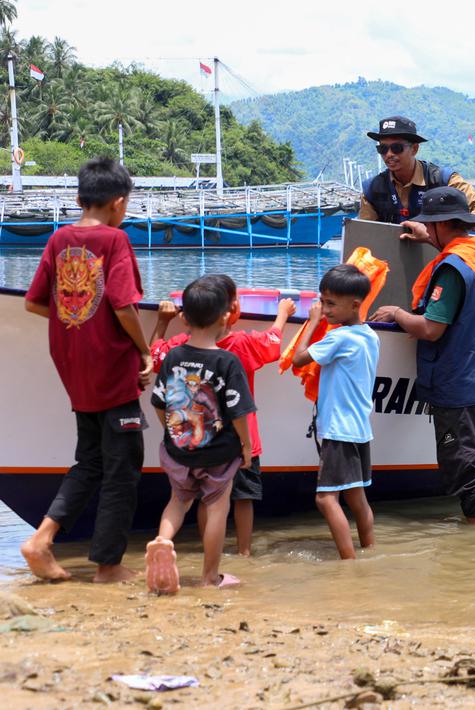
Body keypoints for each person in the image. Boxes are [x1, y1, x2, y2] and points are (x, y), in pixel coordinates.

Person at [20, 157, 152, 584]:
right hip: (112, 371)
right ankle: (109, 566)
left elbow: (35, 302)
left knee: (90, 461)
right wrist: (145, 351)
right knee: (123, 468)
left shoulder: (59, 239)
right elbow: (122, 303)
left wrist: (75, 325)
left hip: (75, 370)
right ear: (119, 203)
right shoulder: (115, 241)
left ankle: (41, 541)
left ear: (79, 198)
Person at [371, 187, 475, 523]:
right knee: (468, 461)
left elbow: (432, 328)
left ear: (442, 224)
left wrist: (397, 314)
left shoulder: (452, 269)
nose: (426, 229)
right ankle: (472, 544)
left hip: (457, 385)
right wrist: (431, 239)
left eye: (430, 224)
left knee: (466, 469)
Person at [149, 278, 296, 556]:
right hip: (241, 443)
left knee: (204, 501)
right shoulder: (242, 344)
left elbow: (153, 356)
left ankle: (205, 551)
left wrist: (161, 322)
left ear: (185, 316)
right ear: (228, 312)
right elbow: (273, 344)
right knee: (242, 500)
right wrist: (282, 314)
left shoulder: (178, 347)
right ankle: (244, 553)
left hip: (194, 441)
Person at [146, 276, 255, 593]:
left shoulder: (173, 357)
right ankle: (210, 577)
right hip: (218, 456)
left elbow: (159, 402)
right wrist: (246, 447)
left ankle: (163, 540)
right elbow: (238, 412)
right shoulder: (228, 361)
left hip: (179, 449)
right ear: (225, 317)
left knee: (178, 501)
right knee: (217, 507)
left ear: (183, 318)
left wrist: (172, 431)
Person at [291, 265, 381, 558]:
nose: (324, 309)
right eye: (323, 302)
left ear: (355, 304)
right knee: (357, 497)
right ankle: (369, 551)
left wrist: (311, 323)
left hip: (339, 430)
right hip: (359, 430)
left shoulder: (339, 338)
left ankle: (348, 562)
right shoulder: (370, 336)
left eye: (331, 303)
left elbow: (299, 359)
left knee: (326, 499)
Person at [358, 115, 475, 231]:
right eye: (383, 148)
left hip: (440, 259)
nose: (389, 154)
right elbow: (365, 234)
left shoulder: (443, 180)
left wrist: (457, 225)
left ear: (414, 149)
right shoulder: (372, 189)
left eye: (396, 148)